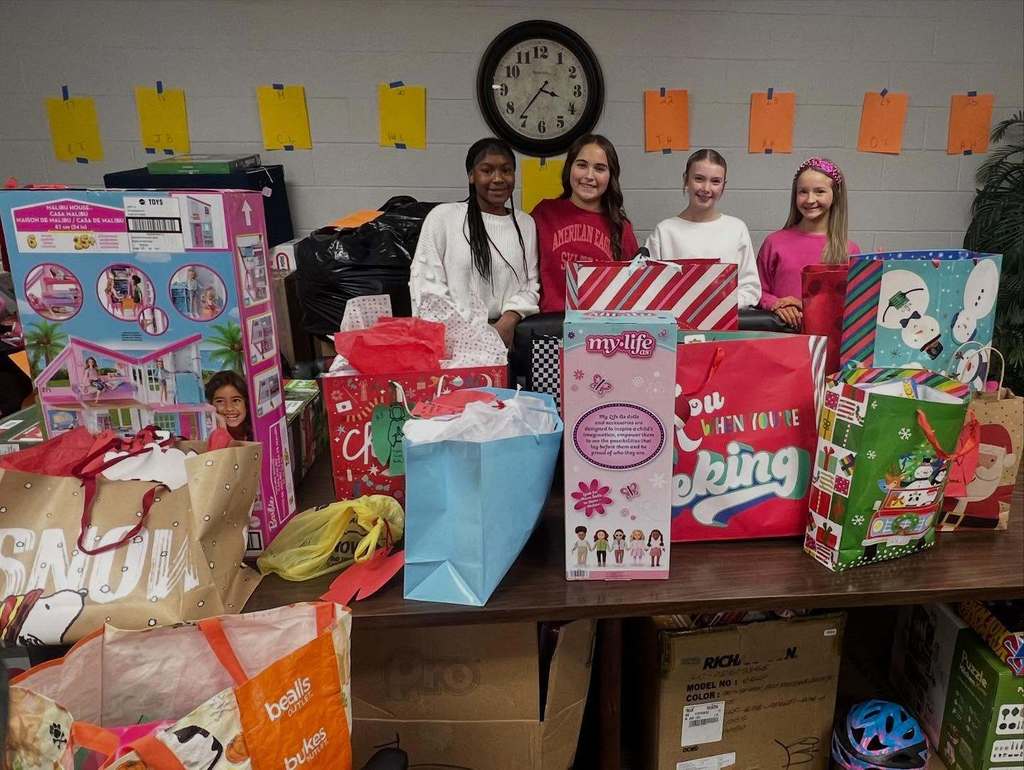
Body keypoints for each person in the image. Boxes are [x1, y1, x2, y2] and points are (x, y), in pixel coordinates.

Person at [409, 137, 539, 348]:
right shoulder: (443, 217)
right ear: (471, 175)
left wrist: (509, 319)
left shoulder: (526, 223)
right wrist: (469, 336)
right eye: (487, 170)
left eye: (506, 170)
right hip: (450, 343)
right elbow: (425, 287)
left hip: (505, 340)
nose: (498, 178)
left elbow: (530, 285)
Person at [532, 134, 639, 312]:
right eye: (582, 165)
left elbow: (633, 291)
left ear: (611, 176)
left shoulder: (621, 227)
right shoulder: (544, 213)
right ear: (569, 168)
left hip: (602, 332)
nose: (589, 176)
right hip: (550, 327)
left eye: (599, 168)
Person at [644, 149, 761, 308]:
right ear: (686, 180)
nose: (706, 188)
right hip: (676, 325)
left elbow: (750, 288)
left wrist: (716, 305)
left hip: (724, 326)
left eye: (715, 181)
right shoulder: (664, 231)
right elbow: (648, 286)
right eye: (699, 179)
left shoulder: (736, 229)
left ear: (723, 186)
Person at [757, 157, 860, 328]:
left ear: (835, 196)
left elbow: (853, 304)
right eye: (803, 192)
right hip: (781, 339)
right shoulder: (774, 242)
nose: (810, 199)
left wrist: (876, 271)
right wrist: (777, 303)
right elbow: (757, 291)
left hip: (827, 343)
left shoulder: (848, 249)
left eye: (820, 191)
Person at [205, 370, 252, 441]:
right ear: (210, 404)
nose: (229, 408)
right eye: (220, 401)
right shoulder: (206, 434)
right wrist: (222, 428)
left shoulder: (258, 429)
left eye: (236, 400)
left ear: (246, 402)